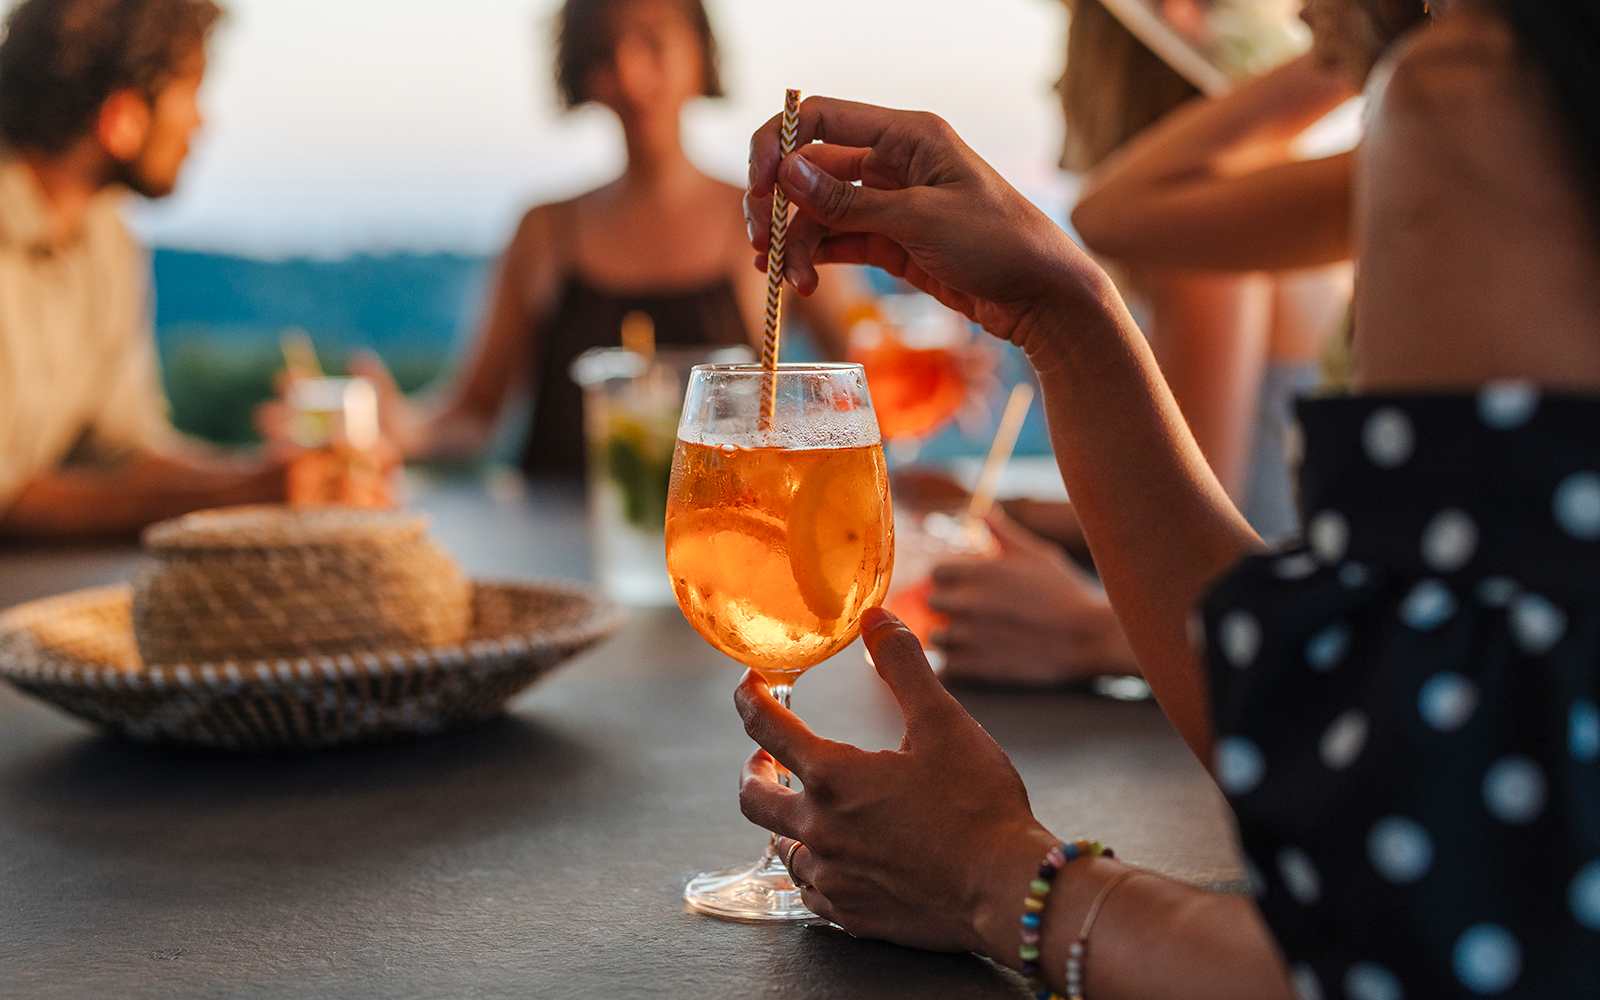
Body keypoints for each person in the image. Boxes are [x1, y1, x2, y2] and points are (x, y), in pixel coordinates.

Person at [734, 0, 1600, 994]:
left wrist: (997, 877)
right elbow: (1348, 723)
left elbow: (1437, 932)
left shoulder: (1480, 98)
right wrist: (1057, 315)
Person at [928, 0, 1381, 686]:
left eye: (1069, 58)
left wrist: (1074, 614)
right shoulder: (1276, 204)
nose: (1055, 86)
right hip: (1271, 641)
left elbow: (1187, 506)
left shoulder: (1210, 245)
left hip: (1253, 653)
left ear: (1118, 70)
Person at [325, 0, 859, 477]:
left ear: (700, 52)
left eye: (652, 41)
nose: (627, 73)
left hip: (724, 552)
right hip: (549, 562)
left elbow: (863, 372)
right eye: (604, 52)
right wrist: (400, 429)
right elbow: (475, 414)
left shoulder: (775, 216)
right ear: (581, 70)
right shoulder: (543, 230)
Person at [0, 0, 287, 540]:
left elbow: (119, 454)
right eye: (189, 93)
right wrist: (240, 498)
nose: (202, 122)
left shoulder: (104, 236)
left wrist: (270, 476)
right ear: (122, 116)